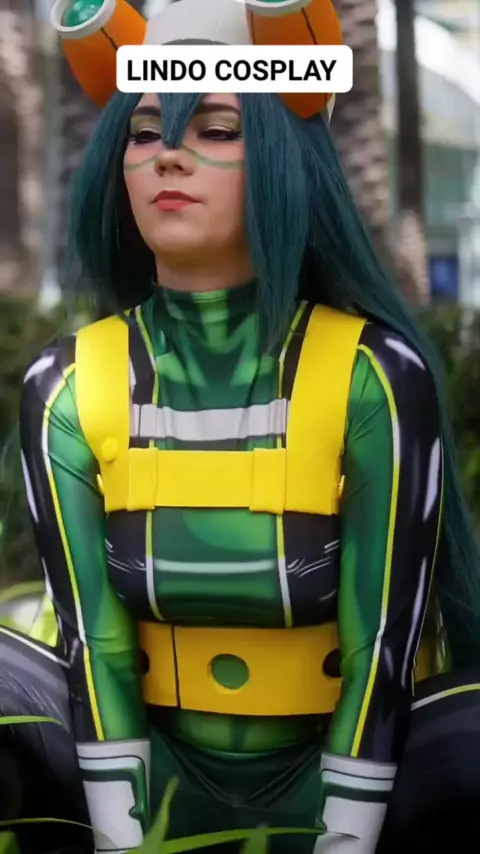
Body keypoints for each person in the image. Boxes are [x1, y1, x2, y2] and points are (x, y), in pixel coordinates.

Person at [2, 1, 480, 853]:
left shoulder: (374, 376)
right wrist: (123, 841)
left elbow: (380, 642)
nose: (168, 155)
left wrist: (343, 839)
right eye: (143, 133)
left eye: (217, 129)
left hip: (349, 783)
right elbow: (94, 644)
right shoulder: (67, 384)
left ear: (287, 161)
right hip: (151, 784)